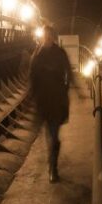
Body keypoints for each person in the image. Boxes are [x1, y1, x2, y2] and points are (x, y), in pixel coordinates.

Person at [28, 25, 71, 182]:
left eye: (49, 35)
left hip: (57, 100)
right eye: (44, 36)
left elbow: (68, 72)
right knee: (50, 135)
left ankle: (53, 168)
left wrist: (66, 89)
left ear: (53, 36)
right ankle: (52, 164)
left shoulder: (59, 53)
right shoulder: (37, 54)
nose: (46, 38)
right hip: (43, 101)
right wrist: (32, 96)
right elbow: (32, 76)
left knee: (53, 136)